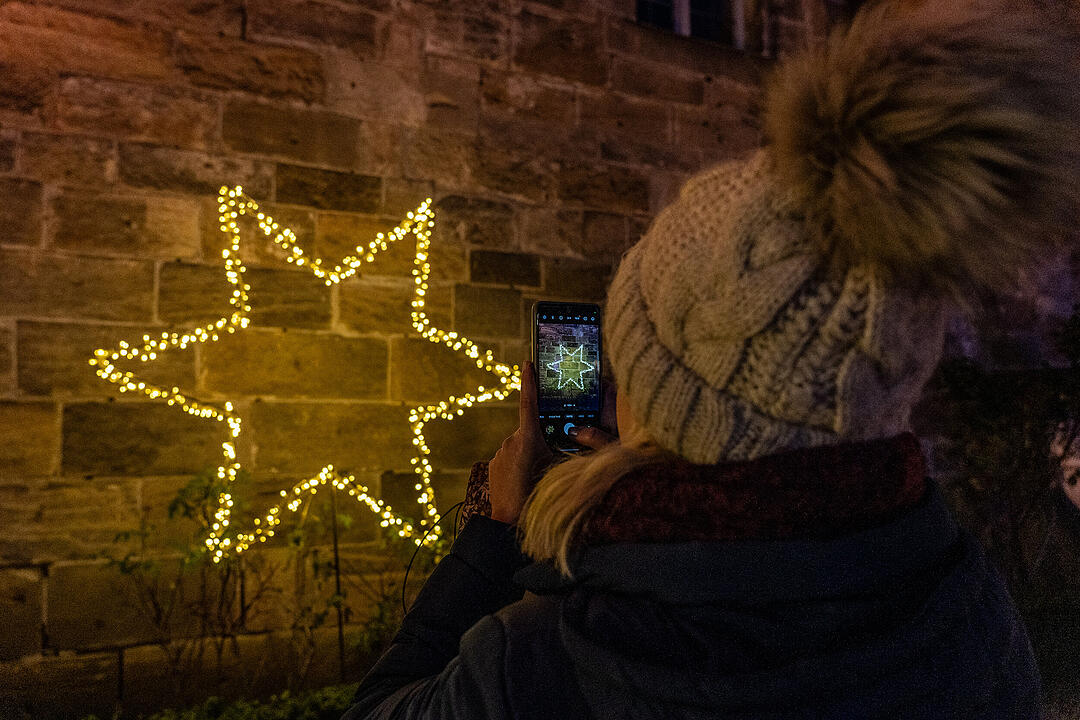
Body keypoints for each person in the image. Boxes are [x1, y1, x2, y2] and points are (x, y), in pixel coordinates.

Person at [342, 1, 1080, 717]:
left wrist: (495, 536)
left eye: (633, 365)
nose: (616, 394)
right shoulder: (971, 616)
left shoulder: (546, 661)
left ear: (674, 400)